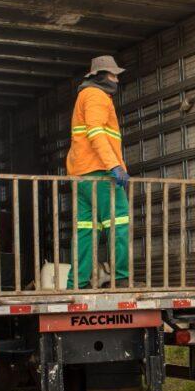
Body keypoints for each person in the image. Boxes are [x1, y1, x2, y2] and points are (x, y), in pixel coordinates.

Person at [66, 55, 131, 289]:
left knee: (85, 230)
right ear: (102, 76)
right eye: (114, 75)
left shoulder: (84, 95)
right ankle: (121, 278)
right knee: (119, 223)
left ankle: (78, 282)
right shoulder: (97, 96)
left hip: (82, 175)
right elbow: (96, 132)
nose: (116, 80)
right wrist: (114, 165)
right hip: (100, 173)